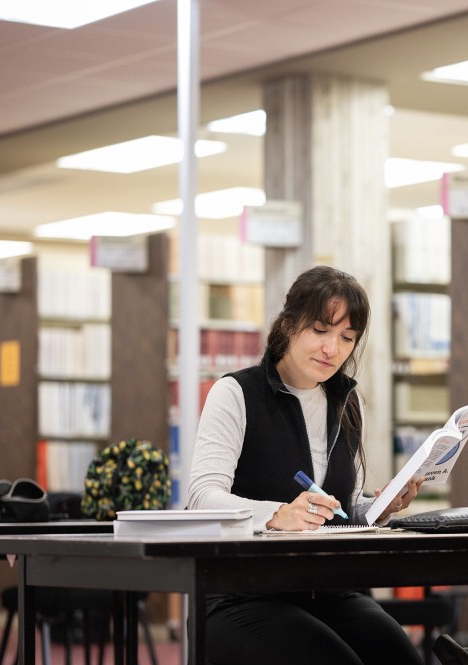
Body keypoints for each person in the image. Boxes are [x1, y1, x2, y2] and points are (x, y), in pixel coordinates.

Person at [188, 264, 425, 665]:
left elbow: (340, 508)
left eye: (346, 337)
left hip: (329, 590)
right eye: (320, 330)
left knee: (402, 658)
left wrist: (380, 507)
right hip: (242, 594)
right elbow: (201, 498)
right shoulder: (235, 393)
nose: (332, 349)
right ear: (287, 326)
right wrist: (276, 515)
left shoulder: (346, 402)